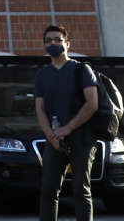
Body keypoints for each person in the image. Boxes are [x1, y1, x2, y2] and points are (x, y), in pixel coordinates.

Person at [34, 24, 99, 221]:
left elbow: (92, 103)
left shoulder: (82, 70)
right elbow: (40, 109)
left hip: (82, 139)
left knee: (81, 190)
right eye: (48, 41)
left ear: (67, 44)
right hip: (55, 141)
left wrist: (68, 128)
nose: (52, 44)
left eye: (57, 40)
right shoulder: (42, 75)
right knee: (48, 191)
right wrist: (51, 135)